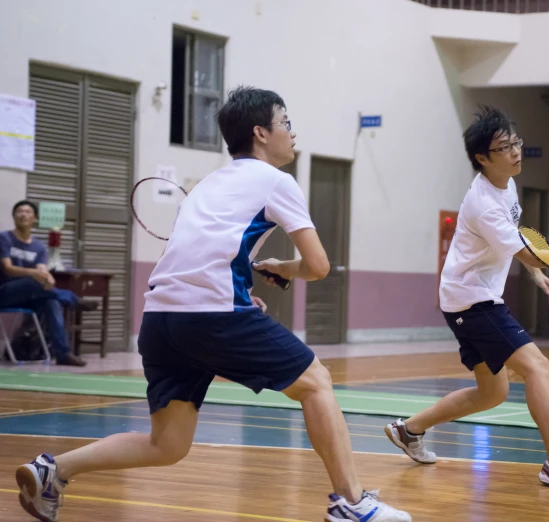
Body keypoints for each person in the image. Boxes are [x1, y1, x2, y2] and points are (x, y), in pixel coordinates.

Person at [15, 87, 411, 522]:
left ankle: (54, 470)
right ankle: (351, 503)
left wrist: (242, 291)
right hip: (209, 312)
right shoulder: (277, 181)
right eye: (287, 124)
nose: (293, 135)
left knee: (166, 445)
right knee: (316, 380)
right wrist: (286, 267)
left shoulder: (209, 183)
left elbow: (199, 254)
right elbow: (317, 266)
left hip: (161, 320)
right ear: (261, 133)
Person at [384, 106, 549, 492]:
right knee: (537, 368)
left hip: (464, 296)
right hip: (473, 300)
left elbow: (519, 243)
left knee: (493, 392)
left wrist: (539, 273)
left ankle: (409, 430)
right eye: (505, 147)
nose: (515, 152)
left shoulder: (505, 183)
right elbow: (526, 251)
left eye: (516, 143)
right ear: (482, 158)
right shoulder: (484, 203)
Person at [0, 200, 95, 366]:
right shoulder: (4, 238)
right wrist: (36, 274)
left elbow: (43, 273)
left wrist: (47, 278)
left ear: (35, 218)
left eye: (27, 212)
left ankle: (63, 354)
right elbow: (8, 268)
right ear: (14, 216)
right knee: (33, 282)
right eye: (19, 211)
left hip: (30, 295)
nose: (23, 214)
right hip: (5, 292)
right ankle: (73, 300)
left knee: (51, 301)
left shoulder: (39, 247)